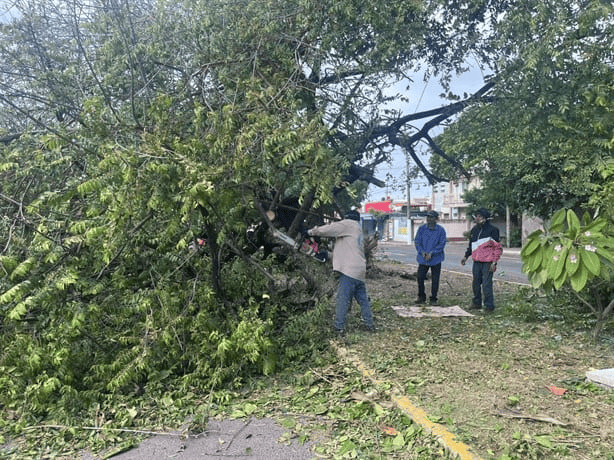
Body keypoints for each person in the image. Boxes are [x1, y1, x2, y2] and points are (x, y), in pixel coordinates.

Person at [307, 210, 375, 334]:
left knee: (343, 299)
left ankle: (339, 327)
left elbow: (330, 229)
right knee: (363, 300)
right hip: (359, 270)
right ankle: (369, 323)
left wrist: (310, 232)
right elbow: (346, 252)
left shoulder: (349, 224)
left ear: (347, 218)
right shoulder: (357, 230)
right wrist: (327, 254)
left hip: (349, 271)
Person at [461, 208, 503, 312]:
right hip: (477, 261)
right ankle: (476, 303)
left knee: (486, 284)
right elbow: (471, 245)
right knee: (476, 283)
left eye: (480, 216)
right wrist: (466, 256)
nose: (477, 218)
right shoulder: (474, 230)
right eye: (476, 216)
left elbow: (497, 248)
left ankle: (489, 306)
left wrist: (494, 262)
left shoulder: (493, 230)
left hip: (488, 262)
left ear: (485, 218)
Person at [414, 210, 447, 305]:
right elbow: (417, 242)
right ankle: (421, 296)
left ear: (436, 219)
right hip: (423, 259)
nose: (429, 219)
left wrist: (432, 253)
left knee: (435, 279)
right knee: (420, 278)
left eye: (432, 217)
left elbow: (442, 244)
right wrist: (423, 253)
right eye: (428, 217)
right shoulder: (422, 228)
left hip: (436, 259)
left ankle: (433, 298)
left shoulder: (440, 230)